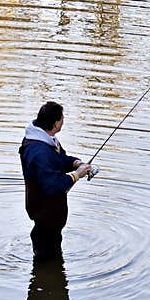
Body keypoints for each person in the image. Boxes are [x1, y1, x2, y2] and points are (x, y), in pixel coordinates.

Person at [19, 101, 97, 261]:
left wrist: (77, 164)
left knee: (52, 258)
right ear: (55, 123)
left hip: (50, 219)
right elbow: (53, 186)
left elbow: (59, 161)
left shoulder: (46, 140)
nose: (64, 120)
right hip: (45, 216)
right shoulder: (39, 151)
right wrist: (77, 174)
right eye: (62, 117)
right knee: (48, 265)